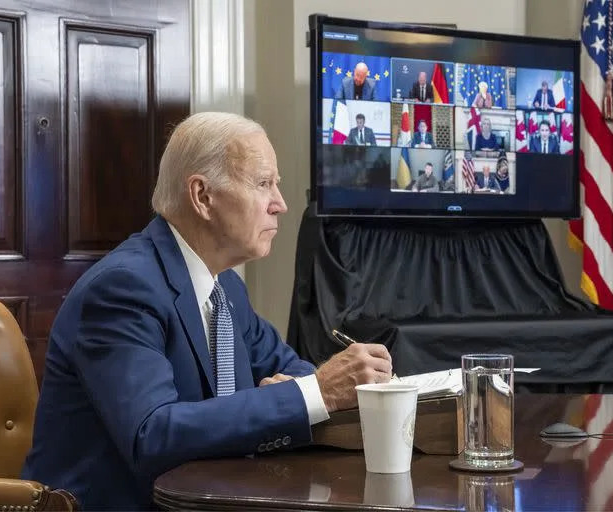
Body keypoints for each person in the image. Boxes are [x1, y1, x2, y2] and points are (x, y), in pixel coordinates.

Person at [20, 112, 393, 510]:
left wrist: (315, 389)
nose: (280, 205)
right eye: (264, 184)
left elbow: (288, 367)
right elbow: (153, 435)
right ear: (202, 196)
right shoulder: (122, 289)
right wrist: (313, 392)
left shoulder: (225, 287)